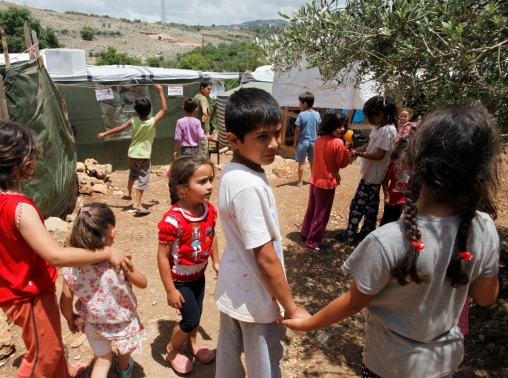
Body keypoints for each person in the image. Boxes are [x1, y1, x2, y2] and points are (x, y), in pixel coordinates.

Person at [281, 105, 501, 378]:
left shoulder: (387, 240)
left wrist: (308, 323)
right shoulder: (482, 227)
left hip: (388, 364)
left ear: (410, 165)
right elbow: (485, 296)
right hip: (443, 364)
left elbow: (352, 302)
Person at [0, 121, 132, 378]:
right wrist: (107, 253)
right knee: (43, 355)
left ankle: (63, 373)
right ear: (20, 164)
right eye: (32, 158)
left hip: (17, 287)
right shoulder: (20, 208)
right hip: (29, 293)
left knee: (51, 342)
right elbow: (56, 255)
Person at [215, 87, 311, 378]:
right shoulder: (249, 186)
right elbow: (266, 258)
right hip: (256, 297)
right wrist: (291, 307)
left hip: (233, 289)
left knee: (229, 358)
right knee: (264, 366)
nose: (274, 144)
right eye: (262, 137)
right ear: (233, 140)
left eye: (277, 134)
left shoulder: (234, 172)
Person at [60, 203, 147, 378]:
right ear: (112, 232)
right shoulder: (118, 261)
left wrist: (71, 319)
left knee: (101, 362)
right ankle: (124, 369)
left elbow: (65, 300)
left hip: (94, 324)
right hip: (123, 323)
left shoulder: (72, 267)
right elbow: (143, 283)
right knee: (123, 351)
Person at [157, 155, 219, 375]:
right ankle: (173, 349)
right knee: (190, 319)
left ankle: (192, 345)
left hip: (198, 276)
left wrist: (216, 261)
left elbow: (211, 235)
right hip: (180, 280)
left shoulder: (208, 209)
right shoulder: (173, 220)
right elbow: (162, 257)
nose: (210, 185)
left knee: (198, 312)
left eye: (210, 179)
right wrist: (170, 289)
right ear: (182, 188)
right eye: (202, 181)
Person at [98, 84, 167, 215]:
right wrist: (161, 92)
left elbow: (119, 129)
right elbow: (164, 109)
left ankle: (128, 192)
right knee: (143, 178)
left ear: (136, 111)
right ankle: (137, 203)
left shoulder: (133, 121)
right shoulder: (151, 122)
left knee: (133, 173)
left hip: (132, 154)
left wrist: (105, 134)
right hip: (143, 156)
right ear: (149, 109)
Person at [337, 95, 398, 245]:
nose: (369, 120)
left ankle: (350, 235)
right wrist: (356, 149)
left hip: (374, 176)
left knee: (358, 205)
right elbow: (369, 145)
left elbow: (379, 155)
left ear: (380, 114)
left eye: (370, 117)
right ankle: (366, 234)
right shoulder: (378, 127)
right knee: (371, 206)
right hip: (370, 173)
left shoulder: (388, 131)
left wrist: (358, 153)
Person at [300, 110, 352, 251]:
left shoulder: (319, 139)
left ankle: (305, 232)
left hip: (316, 178)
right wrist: (347, 150)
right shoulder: (338, 143)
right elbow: (342, 163)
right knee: (322, 213)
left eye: (343, 126)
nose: (342, 129)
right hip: (327, 182)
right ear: (330, 125)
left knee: (312, 208)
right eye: (338, 126)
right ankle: (314, 241)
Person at [379, 137, 409, 227]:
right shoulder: (394, 165)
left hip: (404, 200)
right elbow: (385, 182)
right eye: (405, 153)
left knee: (396, 221)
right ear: (399, 152)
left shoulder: (412, 167)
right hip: (392, 200)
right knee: (387, 221)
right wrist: (386, 196)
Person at [293, 91, 321, 187]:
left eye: (300, 102)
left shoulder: (301, 115)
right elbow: (319, 128)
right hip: (314, 141)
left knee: (301, 162)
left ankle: (300, 181)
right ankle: (312, 180)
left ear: (305, 103)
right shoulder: (317, 114)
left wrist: (295, 141)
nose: (299, 104)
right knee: (312, 162)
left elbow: (297, 129)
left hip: (303, 141)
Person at [194, 80, 213, 157]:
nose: (210, 91)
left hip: (196, 130)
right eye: (208, 89)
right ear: (202, 88)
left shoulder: (195, 97)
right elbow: (204, 107)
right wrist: (205, 113)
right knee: (204, 154)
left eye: (211, 89)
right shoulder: (203, 98)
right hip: (203, 131)